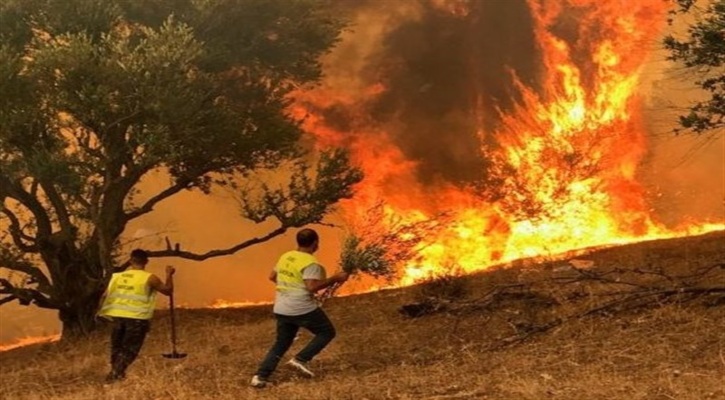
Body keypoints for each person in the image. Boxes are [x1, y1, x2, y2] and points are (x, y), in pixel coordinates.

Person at [250, 228, 349, 388]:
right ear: (316, 243)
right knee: (327, 332)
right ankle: (300, 360)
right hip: (301, 307)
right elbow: (312, 287)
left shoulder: (286, 256)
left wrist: (290, 288)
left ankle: (260, 377)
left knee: (281, 343)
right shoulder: (310, 263)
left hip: (281, 307)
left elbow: (272, 277)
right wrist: (336, 278)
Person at [97, 249, 175, 383]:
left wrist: (100, 313)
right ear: (146, 262)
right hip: (137, 318)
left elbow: (104, 296)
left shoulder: (117, 277)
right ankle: (115, 375)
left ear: (131, 260)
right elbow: (168, 291)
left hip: (117, 317)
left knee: (117, 347)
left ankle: (117, 374)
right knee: (130, 348)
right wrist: (169, 274)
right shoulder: (149, 278)